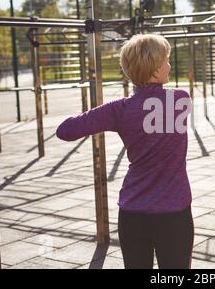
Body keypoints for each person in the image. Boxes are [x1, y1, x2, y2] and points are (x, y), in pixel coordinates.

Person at [56, 34, 194, 269]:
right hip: (173, 212)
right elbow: (155, 109)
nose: (169, 65)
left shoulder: (119, 109)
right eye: (166, 60)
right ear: (155, 68)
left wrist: (106, 112)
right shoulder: (180, 99)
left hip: (132, 213)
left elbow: (65, 130)